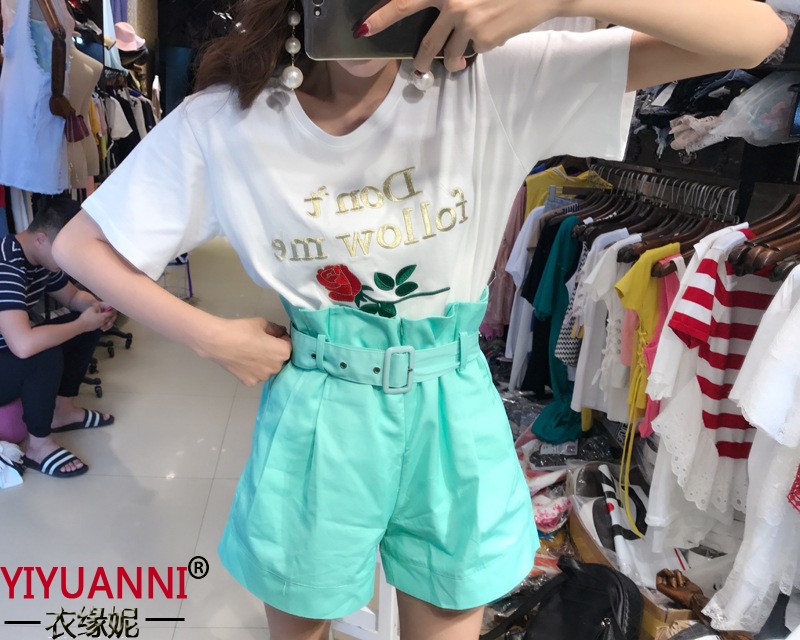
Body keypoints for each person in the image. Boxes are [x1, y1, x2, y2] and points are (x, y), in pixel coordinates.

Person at [53, 0, 786, 637]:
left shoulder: (494, 81)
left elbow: (756, 35)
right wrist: (210, 337)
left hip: (451, 410)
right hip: (318, 412)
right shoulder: (227, 120)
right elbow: (79, 245)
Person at [0, 197, 116, 478]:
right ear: (41, 238)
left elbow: (73, 297)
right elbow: (23, 345)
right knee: (43, 351)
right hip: (12, 350)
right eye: (65, 251)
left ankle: (62, 412)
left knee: (85, 323)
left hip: (8, 351)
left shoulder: (39, 258)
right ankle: (38, 447)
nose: (69, 259)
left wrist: (94, 308)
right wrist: (81, 324)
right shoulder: (6, 264)